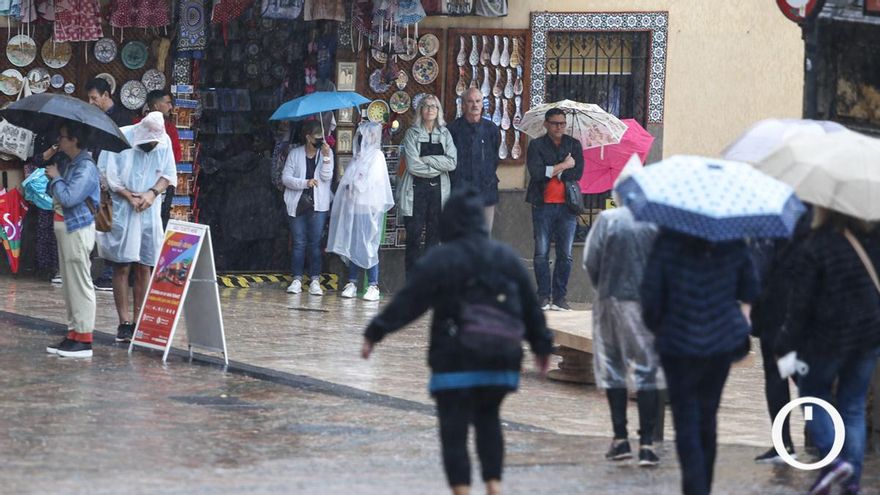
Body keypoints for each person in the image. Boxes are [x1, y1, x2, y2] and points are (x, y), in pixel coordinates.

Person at [361, 187, 553, 495]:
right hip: (500, 362)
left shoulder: (441, 259)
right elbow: (530, 307)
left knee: (454, 428)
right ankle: (493, 484)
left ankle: (462, 489)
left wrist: (375, 332)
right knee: (489, 419)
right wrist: (542, 347)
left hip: (455, 360)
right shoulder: (506, 258)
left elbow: (410, 302)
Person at [640, 230, 758, 495]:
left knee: (685, 419)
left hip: (678, 341)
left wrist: (661, 326)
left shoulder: (668, 241)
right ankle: (703, 486)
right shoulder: (732, 239)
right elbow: (750, 287)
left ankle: (695, 488)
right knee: (707, 415)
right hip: (720, 340)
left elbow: (650, 296)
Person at [775, 208, 880, 495]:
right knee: (853, 407)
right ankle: (851, 480)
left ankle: (834, 462)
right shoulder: (873, 242)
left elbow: (801, 305)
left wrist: (784, 344)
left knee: (811, 396)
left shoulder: (816, 244)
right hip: (867, 335)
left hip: (827, 338)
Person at [583, 160, 664, 467]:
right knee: (647, 369)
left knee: (612, 366)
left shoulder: (608, 220)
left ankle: (620, 439)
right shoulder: (656, 223)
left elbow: (591, 260)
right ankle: (647, 444)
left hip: (611, 300)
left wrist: (602, 285)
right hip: (648, 304)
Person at [96, 112, 176, 343]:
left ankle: (139, 319)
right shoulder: (121, 137)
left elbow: (168, 174)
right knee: (122, 265)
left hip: (149, 208)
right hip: (124, 207)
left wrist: (152, 193)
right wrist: (128, 195)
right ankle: (124, 322)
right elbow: (107, 174)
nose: (151, 146)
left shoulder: (164, 141)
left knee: (144, 265)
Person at [747, 209, 812, 464]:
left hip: (775, 311)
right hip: (802, 310)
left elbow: (759, 269)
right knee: (796, 371)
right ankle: (818, 433)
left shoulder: (769, 220)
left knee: (778, 375)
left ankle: (785, 443)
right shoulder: (808, 216)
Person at [44, 122, 101, 358]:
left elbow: (69, 198)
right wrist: (54, 176)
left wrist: (57, 178)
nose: (59, 140)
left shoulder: (85, 167)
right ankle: (74, 332)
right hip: (66, 228)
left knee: (79, 283)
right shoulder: (70, 163)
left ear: (74, 140)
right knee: (69, 285)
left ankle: (84, 338)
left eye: (63, 137)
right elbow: (55, 193)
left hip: (77, 229)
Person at [327, 122, 394, 302]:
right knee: (354, 244)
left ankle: (373, 285)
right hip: (354, 207)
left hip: (369, 208)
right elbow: (348, 177)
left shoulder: (377, 156)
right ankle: (352, 282)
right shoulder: (358, 157)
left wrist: (356, 186)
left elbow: (373, 180)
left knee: (369, 245)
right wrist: (349, 186)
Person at [525, 108, 584, 311]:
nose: (559, 127)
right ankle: (543, 296)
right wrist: (564, 165)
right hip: (542, 204)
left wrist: (553, 170)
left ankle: (560, 297)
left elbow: (578, 172)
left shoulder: (573, 145)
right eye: (555, 123)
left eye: (562, 123)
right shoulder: (536, 145)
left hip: (567, 206)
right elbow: (536, 172)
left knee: (565, 254)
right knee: (541, 252)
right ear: (546, 124)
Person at [399, 94, 457, 275]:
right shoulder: (412, 133)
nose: (430, 109)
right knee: (414, 238)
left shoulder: (445, 134)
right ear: (420, 110)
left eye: (434, 106)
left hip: (438, 193)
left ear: (438, 110)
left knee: (434, 238)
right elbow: (413, 166)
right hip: (415, 191)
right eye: (426, 105)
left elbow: (452, 162)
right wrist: (437, 166)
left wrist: (428, 159)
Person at [85, 77, 133, 292]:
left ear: (106, 95)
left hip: (117, 179)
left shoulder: (123, 119)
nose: (91, 102)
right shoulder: (94, 118)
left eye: (94, 98)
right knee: (100, 222)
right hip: (97, 175)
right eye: (89, 98)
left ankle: (109, 274)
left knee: (113, 223)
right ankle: (99, 271)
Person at [281, 120, 334, 296]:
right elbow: (285, 178)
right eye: (317, 137)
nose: (320, 141)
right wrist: (305, 183)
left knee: (315, 243)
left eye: (322, 138)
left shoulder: (326, 153)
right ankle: (297, 278)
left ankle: (315, 279)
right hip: (297, 204)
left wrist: (326, 157)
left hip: (318, 206)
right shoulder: (295, 154)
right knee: (299, 242)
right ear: (308, 137)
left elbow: (326, 177)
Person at [447, 87, 500, 233]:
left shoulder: (491, 129)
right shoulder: (453, 129)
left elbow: (494, 157)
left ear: (482, 104)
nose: (475, 105)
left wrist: (487, 176)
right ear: (463, 105)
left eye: (478, 101)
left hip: (486, 190)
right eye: (470, 101)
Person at [138, 90, 181, 228]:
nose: (170, 107)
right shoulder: (138, 125)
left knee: (159, 221)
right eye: (168, 103)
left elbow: (176, 156)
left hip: (162, 182)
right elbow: (176, 156)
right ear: (156, 106)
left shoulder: (170, 128)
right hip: (141, 182)